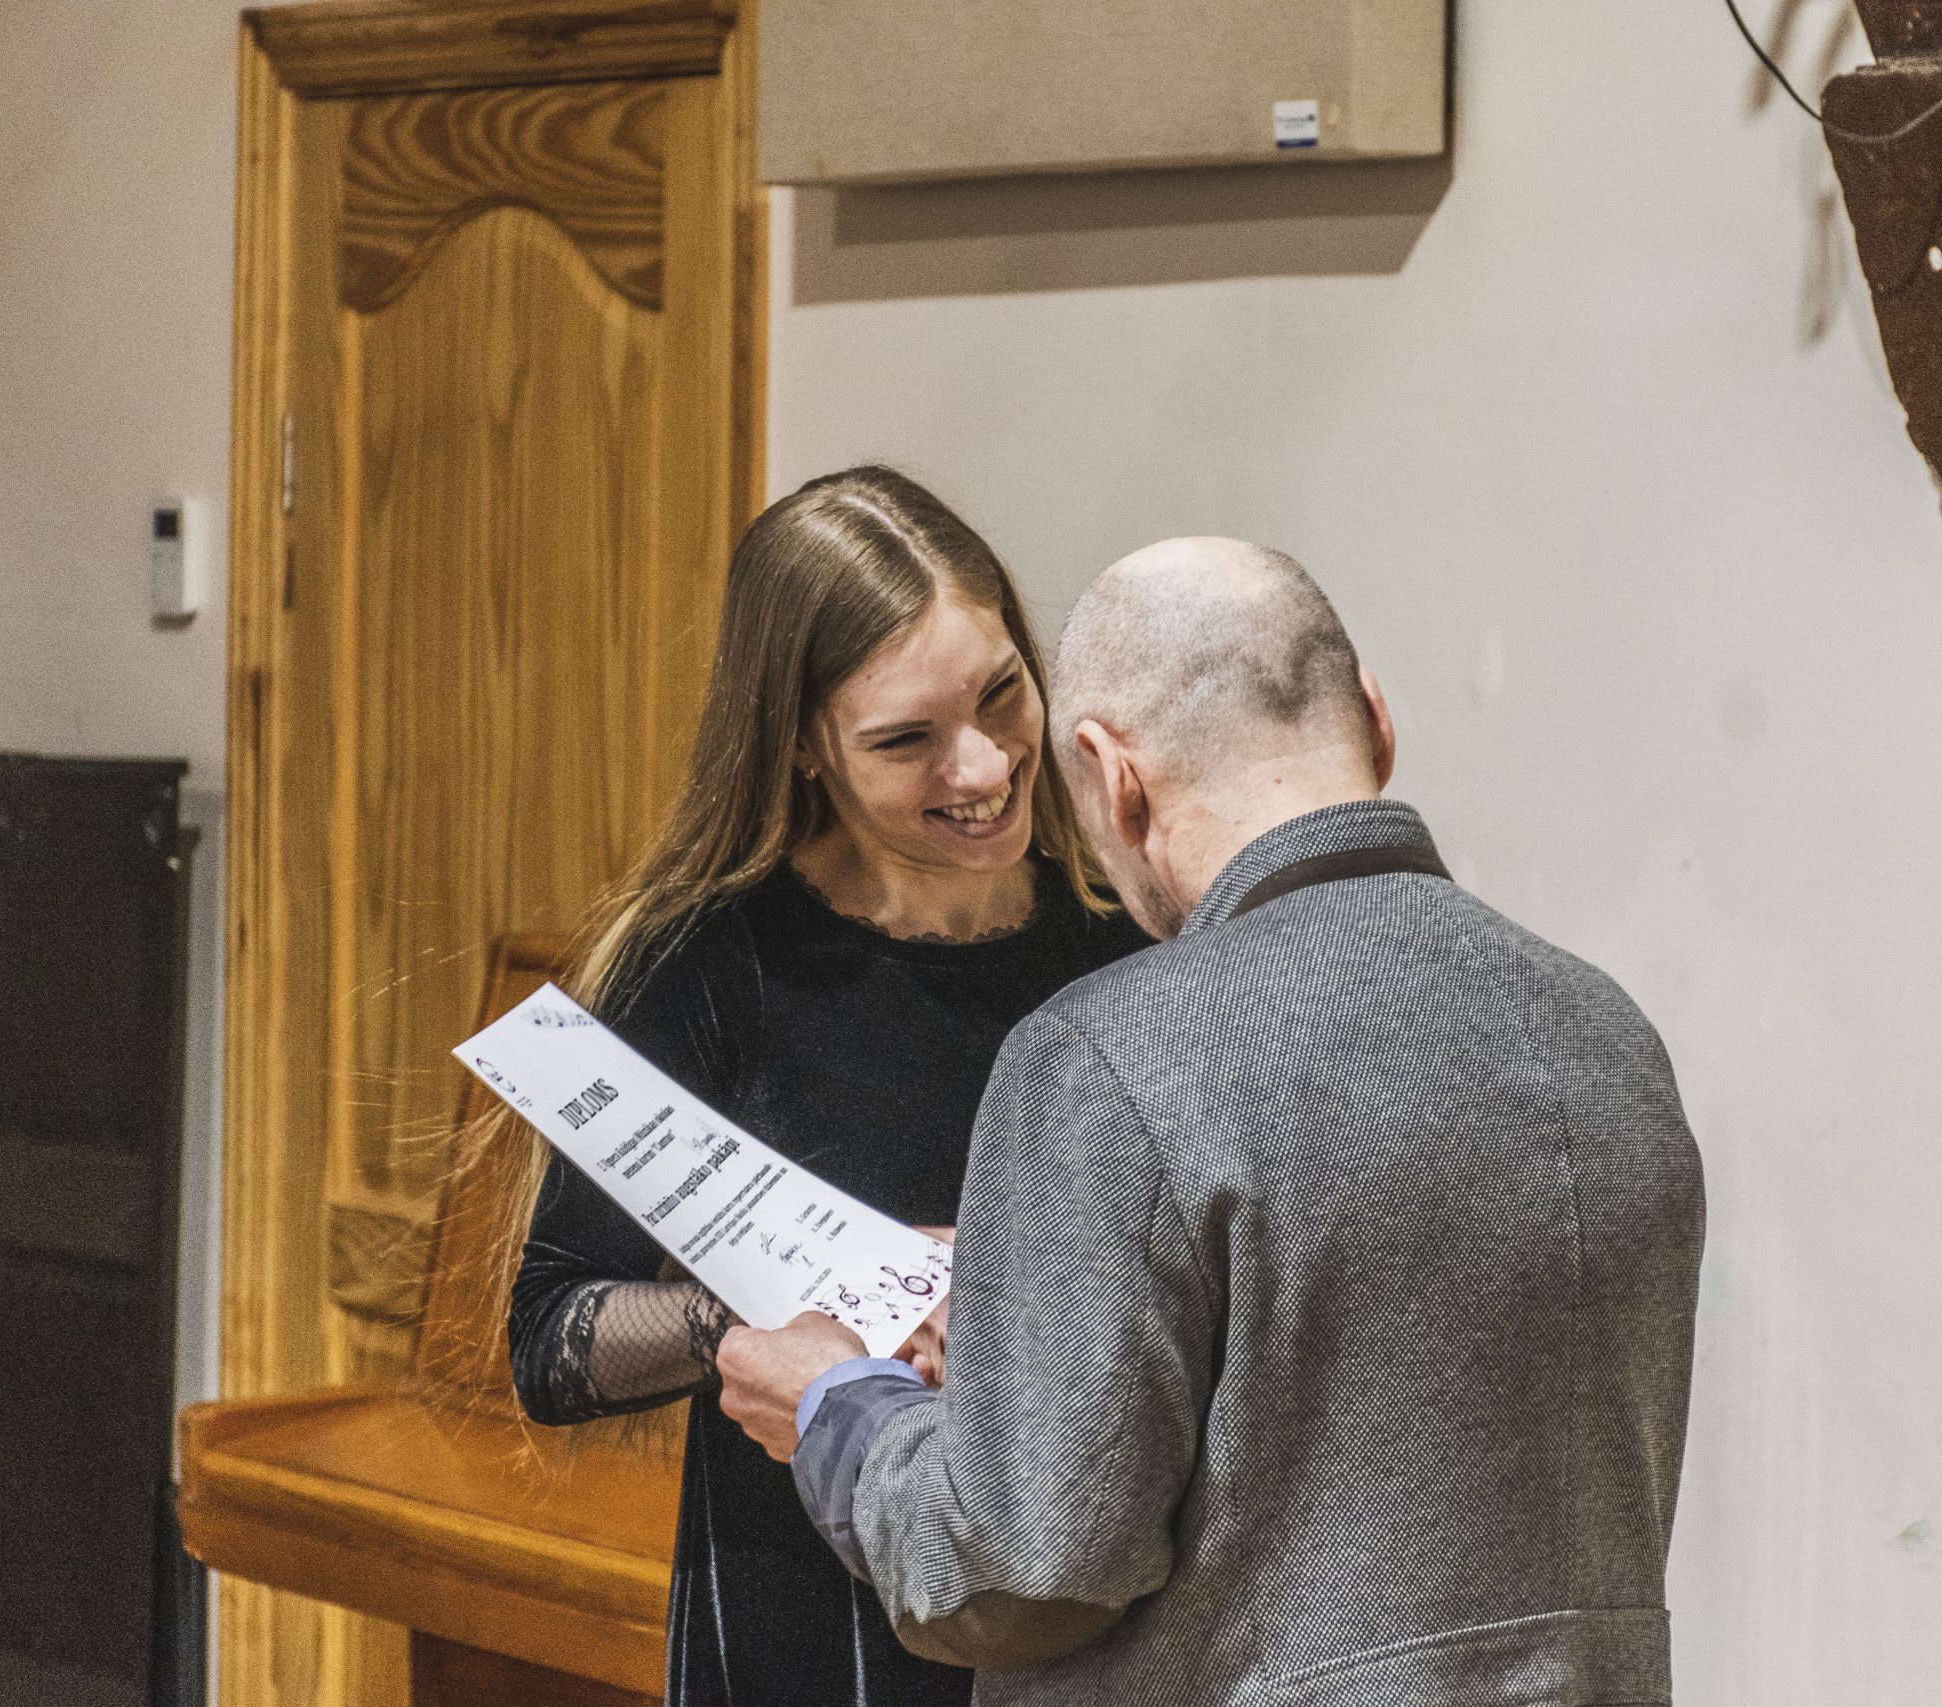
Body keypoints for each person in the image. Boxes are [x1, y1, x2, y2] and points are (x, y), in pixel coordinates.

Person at [716, 538, 1707, 1705]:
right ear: (1376, 723)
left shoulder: (1105, 1056)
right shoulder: (1604, 1030)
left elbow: (1017, 1575)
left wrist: (840, 1409)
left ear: (1112, 778)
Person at [509, 467, 1152, 1707]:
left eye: (1002, 693)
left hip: (1081, 1610)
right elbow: (553, 1341)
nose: (982, 765)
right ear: (803, 745)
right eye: (906, 740)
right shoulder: (711, 960)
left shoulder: (1127, 934)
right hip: (808, 1618)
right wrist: (802, 1309)